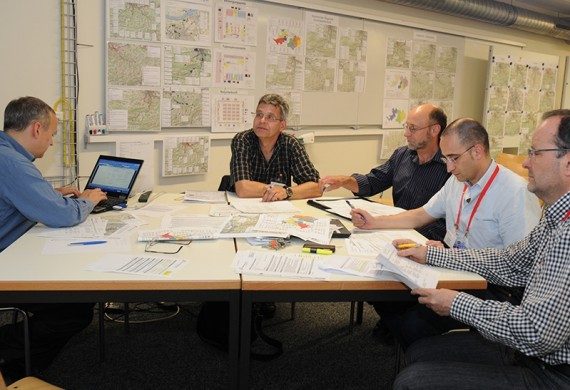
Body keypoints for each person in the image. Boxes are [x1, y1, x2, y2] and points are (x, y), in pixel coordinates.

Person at [393, 109, 570, 390]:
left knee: (411, 381)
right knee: (417, 351)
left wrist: (457, 304)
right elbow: (510, 261)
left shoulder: (566, 233)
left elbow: (537, 332)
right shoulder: (555, 217)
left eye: (535, 153)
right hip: (535, 354)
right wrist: (433, 254)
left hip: (553, 373)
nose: (525, 163)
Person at [351, 118, 542, 347]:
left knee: (412, 324)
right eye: (446, 159)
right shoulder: (458, 180)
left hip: (491, 284)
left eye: (453, 158)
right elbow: (422, 214)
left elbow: (519, 266)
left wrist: (448, 256)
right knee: (383, 291)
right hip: (454, 266)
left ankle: (424, 357)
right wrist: (375, 222)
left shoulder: (515, 193)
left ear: (477, 151)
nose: (449, 167)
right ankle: (408, 344)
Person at [0, 96, 107, 379]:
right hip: (5, 265)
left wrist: (51, 196)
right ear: (37, 128)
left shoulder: (5, 154)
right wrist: (89, 200)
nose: (50, 142)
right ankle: (12, 363)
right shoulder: (13, 164)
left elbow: (17, 199)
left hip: (10, 253)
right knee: (74, 309)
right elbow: (63, 216)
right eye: (52, 134)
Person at [320, 103, 450, 241]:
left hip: (426, 240)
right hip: (393, 231)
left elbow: (447, 221)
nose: (406, 134)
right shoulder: (402, 155)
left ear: (434, 130)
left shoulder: (451, 167)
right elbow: (372, 182)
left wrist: (412, 236)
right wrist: (344, 181)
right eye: (406, 126)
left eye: (413, 128)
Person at [230, 93, 321, 202]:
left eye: (270, 117)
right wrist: (274, 190)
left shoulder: (291, 144)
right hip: (244, 206)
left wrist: (286, 192)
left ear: (282, 125)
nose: (262, 120)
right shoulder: (243, 140)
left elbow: (316, 187)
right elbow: (243, 188)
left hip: (278, 208)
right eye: (259, 114)